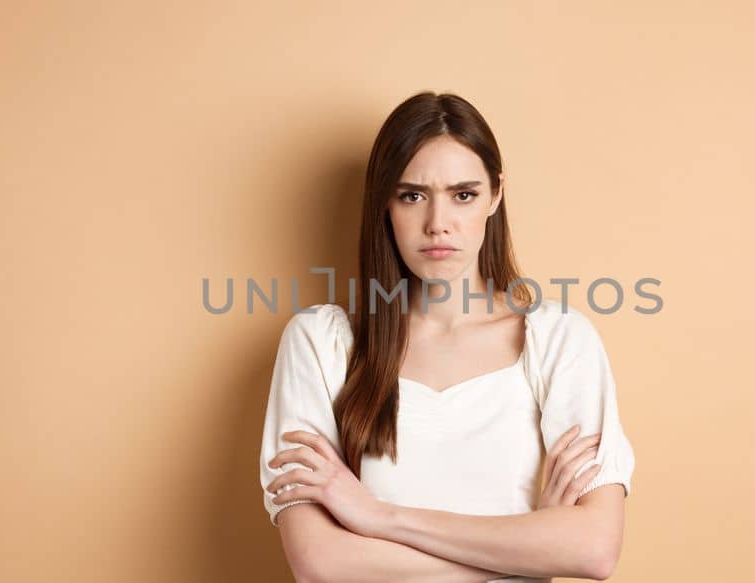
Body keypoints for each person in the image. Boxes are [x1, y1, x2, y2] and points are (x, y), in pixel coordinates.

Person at [258, 91, 635, 582]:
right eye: (412, 195)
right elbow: (321, 564)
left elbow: (593, 551)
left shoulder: (560, 339)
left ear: (496, 195)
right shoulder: (320, 344)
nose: (438, 225)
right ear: (385, 203)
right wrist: (528, 542)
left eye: (463, 194)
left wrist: (378, 517)